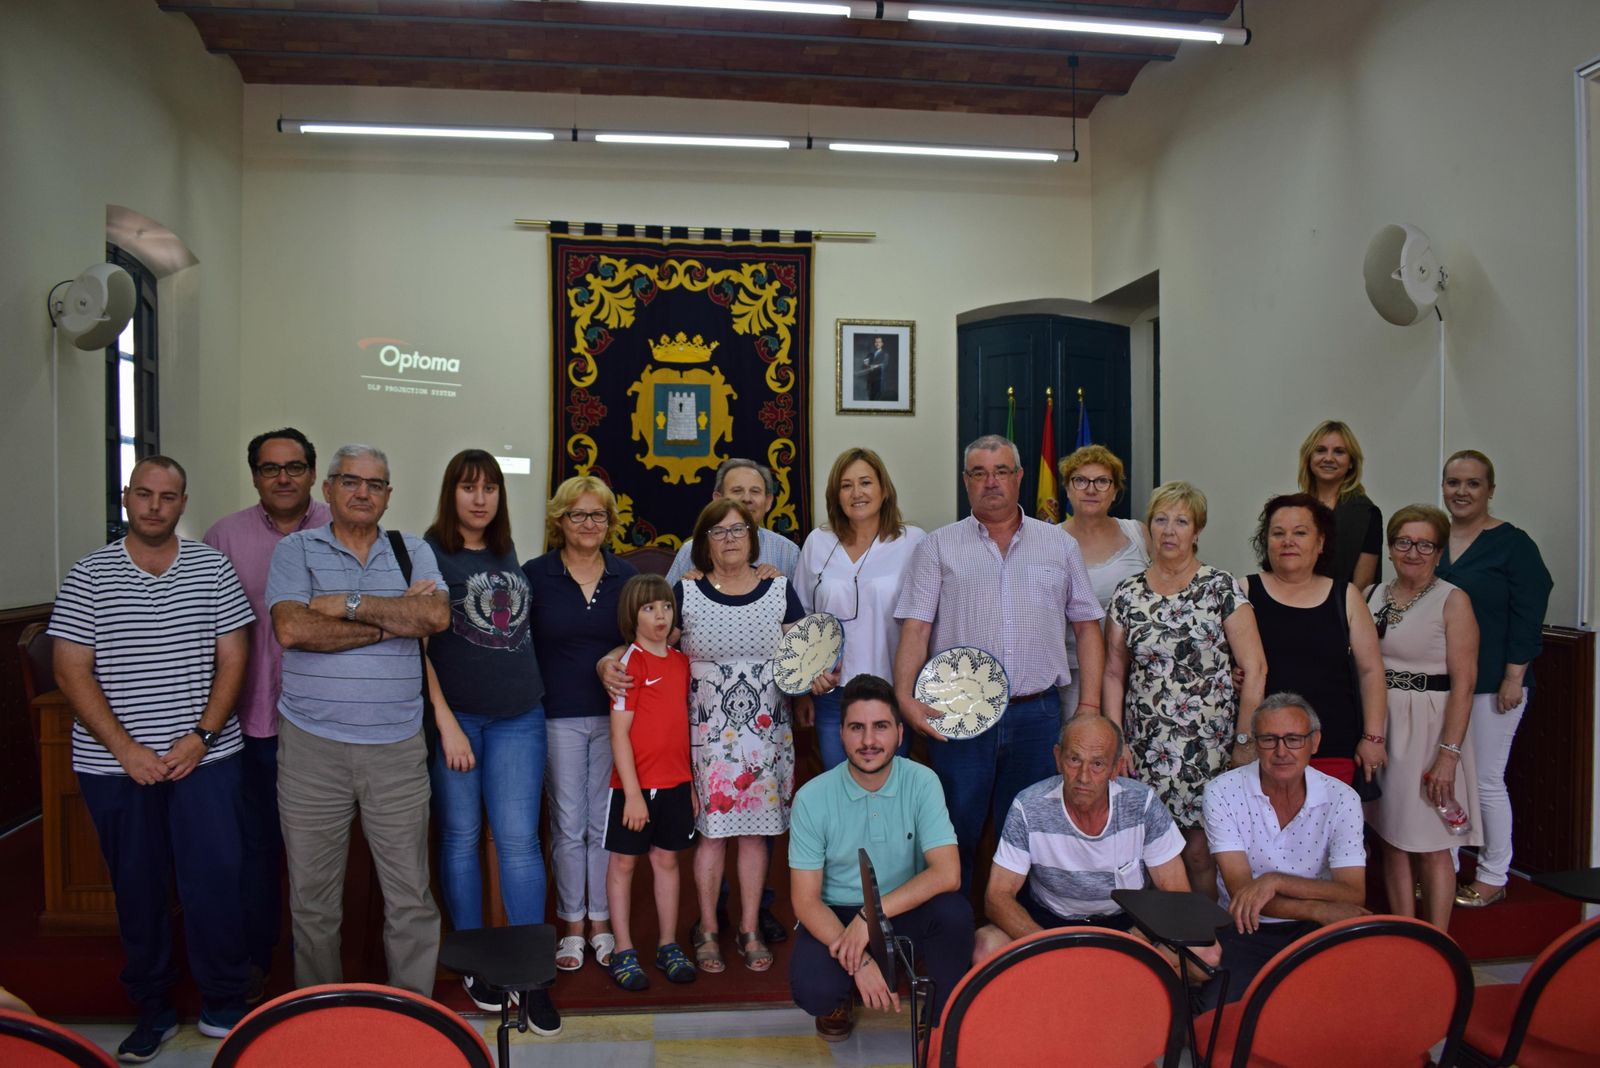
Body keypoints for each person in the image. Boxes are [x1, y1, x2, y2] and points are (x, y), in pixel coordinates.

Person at [50, 455, 255, 1060]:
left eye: (168, 497)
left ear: (183, 503)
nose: (155, 506)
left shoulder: (213, 569)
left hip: (207, 758)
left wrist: (200, 737)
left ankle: (223, 1001)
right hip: (115, 767)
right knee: (137, 889)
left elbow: (235, 658)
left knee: (216, 880)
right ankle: (154, 1007)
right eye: (145, 494)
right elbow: (69, 669)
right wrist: (126, 750)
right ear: (126, 498)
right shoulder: (88, 575)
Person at [266, 444, 448, 995]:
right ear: (328, 490)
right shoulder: (296, 550)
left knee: (410, 894)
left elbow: (435, 616)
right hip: (311, 748)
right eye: (349, 481)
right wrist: (395, 618)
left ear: (389, 495)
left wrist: (344, 603)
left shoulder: (412, 549)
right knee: (313, 899)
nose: (362, 492)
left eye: (374, 483)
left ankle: (413, 1011)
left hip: (396, 748)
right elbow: (294, 631)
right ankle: (319, 1013)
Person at [894, 434, 1106, 891]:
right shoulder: (938, 547)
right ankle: (955, 929)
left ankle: (1023, 938)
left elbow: (1088, 627)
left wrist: (1089, 706)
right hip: (958, 715)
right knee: (957, 829)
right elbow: (916, 628)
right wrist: (904, 698)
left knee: (1030, 831)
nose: (991, 482)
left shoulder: (1059, 546)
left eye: (1002, 471)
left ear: (1020, 478)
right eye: (979, 473)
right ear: (966, 481)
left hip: (1038, 713)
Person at [421, 450, 559, 1032]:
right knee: (459, 839)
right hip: (460, 722)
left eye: (491, 488)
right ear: (450, 493)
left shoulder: (507, 551)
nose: (480, 499)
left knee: (519, 841)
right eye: (468, 487)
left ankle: (532, 977)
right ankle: (477, 963)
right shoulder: (425, 552)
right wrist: (446, 720)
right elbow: (417, 648)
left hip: (519, 715)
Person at [203, 427, 330, 997]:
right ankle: (259, 960)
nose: (283, 477)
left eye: (295, 467)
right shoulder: (222, 537)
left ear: (312, 472)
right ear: (254, 474)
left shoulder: (343, 526)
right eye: (270, 467)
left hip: (326, 723)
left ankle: (333, 965)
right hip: (250, 722)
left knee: (327, 852)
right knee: (255, 849)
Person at [1103, 480, 1266, 899]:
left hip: (1207, 744)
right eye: (1161, 519)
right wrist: (1116, 739)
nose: (1170, 530)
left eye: (1181, 521)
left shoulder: (1221, 587)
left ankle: (1202, 946)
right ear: (1148, 529)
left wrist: (1245, 741)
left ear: (1197, 531)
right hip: (1145, 744)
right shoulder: (1128, 594)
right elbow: (1113, 674)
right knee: (1146, 849)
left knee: (1198, 853)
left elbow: (1255, 667)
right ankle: (1154, 946)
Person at [788, 675, 971, 1043]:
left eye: (880, 727)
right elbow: (805, 900)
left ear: (900, 734)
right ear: (840, 733)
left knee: (955, 913)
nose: (869, 741)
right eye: (857, 728)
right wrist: (861, 961)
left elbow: (948, 874)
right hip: (837, 912)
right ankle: (841, 996)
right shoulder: (812, 797)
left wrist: (870, 915)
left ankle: (938, 1018)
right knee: (813, 989)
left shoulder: (923, 782)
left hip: (903, 909)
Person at [973, 715, 1217, 968]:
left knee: (1205, 954)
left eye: (1098, 764)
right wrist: (1047, 946)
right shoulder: (1029, 806)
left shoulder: (1141, 803)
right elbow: (997, 897)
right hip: (1052, 924)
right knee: (986, 946)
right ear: (1058, 758)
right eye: (1074, 759)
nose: (1084, 777)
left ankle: (1142, 1002)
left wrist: (1133, 941)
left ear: (1115, 768)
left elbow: (1175, 893)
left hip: (1129, 923)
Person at [676, 500, 803, 974]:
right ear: (702, 541)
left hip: (766, 737)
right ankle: (708, 926)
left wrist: (819, 677)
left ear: (753, 536)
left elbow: (800, 656)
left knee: (755, 837)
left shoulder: (779, 588)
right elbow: (656, 651)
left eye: (738, 529)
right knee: (710, 838)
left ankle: (749, 927)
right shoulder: (685, 592)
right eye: (717, 530)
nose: (729, 538)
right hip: (707, 736)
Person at [524, 476, 637, 971]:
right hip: (557, 717)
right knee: (568, 824)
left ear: (610, 523)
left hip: (617, 720)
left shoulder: (628, 578)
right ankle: (572, 925)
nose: (588, 524)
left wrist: (615, 653)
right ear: (560, 521)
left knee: (602, 822)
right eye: (577, 515)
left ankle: (602, 921)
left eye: (597, 515)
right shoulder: (534, 575)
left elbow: (647, 639)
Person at [1435, 450, 1553, 908]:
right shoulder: (1437, 539)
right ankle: (1444, 865)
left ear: (1490, 490)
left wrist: (1514, 677)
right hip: (1444, 684)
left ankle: (1493, 872)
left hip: (1494, 685)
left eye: (1472, 483)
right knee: (1444, 781)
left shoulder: (1513, 543)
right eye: (1452, 482)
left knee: (1484, 780)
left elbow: (1530, 611)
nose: (1460, 492)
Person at [1201, 693, 1368, 1003]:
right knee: (1221, 1018)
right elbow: (1242, 893)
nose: (1281, 752)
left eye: (1293, 739)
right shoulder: (1222, 792)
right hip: (1244, 926)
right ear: (1254, 743)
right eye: (1269, 740)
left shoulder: (1343, 799)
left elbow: (1353, 892)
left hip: (1314, 928)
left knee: (1335, 1009)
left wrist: (1274, 881)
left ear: (1314, 742)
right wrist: (1317, 908)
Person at [1368, 505, 1482, 929]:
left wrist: (1448, 756)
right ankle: (1405, 936)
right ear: (1390, 547)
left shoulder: (1452, 600)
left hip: (1431, 729)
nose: (1412, 552)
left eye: (1424, 544)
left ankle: (1438, 941)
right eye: (1403, 542)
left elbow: (1465, 684)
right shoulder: (1372, 595)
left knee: (1432, 842)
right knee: (1392, 837)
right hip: (1384, 725)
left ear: (1438, 551)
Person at [1244, 494, 1388, 789]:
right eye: (1278, 533)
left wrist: (1373, 738)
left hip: (1332, 745)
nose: (1288, 541)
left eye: (1300, 533)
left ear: (1320, 543)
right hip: (1262, 748)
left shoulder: (1345, 597)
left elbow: (1371, 672)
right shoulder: (1243, 591)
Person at [795, 447, 925, 769]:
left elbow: (927, 621)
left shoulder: (914, 542)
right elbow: (800, 622)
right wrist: (804, 687)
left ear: (883, 489)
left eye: (865, 482)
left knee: (888, 793)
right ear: (836, 495)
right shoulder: (818, 542)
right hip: (832, 695)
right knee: (840, 791)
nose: (857, 493)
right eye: (846, 485)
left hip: (893, 692)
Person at [604, 574, 698, 991]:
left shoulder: (681, 661)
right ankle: (623, 949)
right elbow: (619, 733)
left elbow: (681, 728)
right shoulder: (629, 664)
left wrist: (691, 782)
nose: (660, 616)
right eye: (648, 608)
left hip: (677, 783)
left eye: (665, 607)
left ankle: (667, 944)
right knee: (624, 864)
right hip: (634, 789)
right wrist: (634, 795)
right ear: (632, 615)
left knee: (667, 861)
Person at [1056, 445, 1150, 716]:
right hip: (1072, 676)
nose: (1091, 489)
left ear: (1115, 491)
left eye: (1102, 481)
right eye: (1081, 480)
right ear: (1068, 488)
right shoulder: (1048, 541)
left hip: (1135, 672)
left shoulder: (1138, 533)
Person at [665, 458, 800, 585]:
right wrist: (682, 588)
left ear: (768, 502)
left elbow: (803, 608)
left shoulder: (788, 551)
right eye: (737, 491)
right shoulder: (691, 549)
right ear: (718, 499)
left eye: (755, 491)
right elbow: (665, 602)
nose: (747, 498)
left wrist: (782, 587)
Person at [1296, 420, 1382, 589]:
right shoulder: (1292, 509)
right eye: (1320, 450)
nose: (1328, 458)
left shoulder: (1366, 513)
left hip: (1341, 610)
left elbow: (1362, 585)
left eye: (1339, 452)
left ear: (1351, 462)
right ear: (1308, 458)